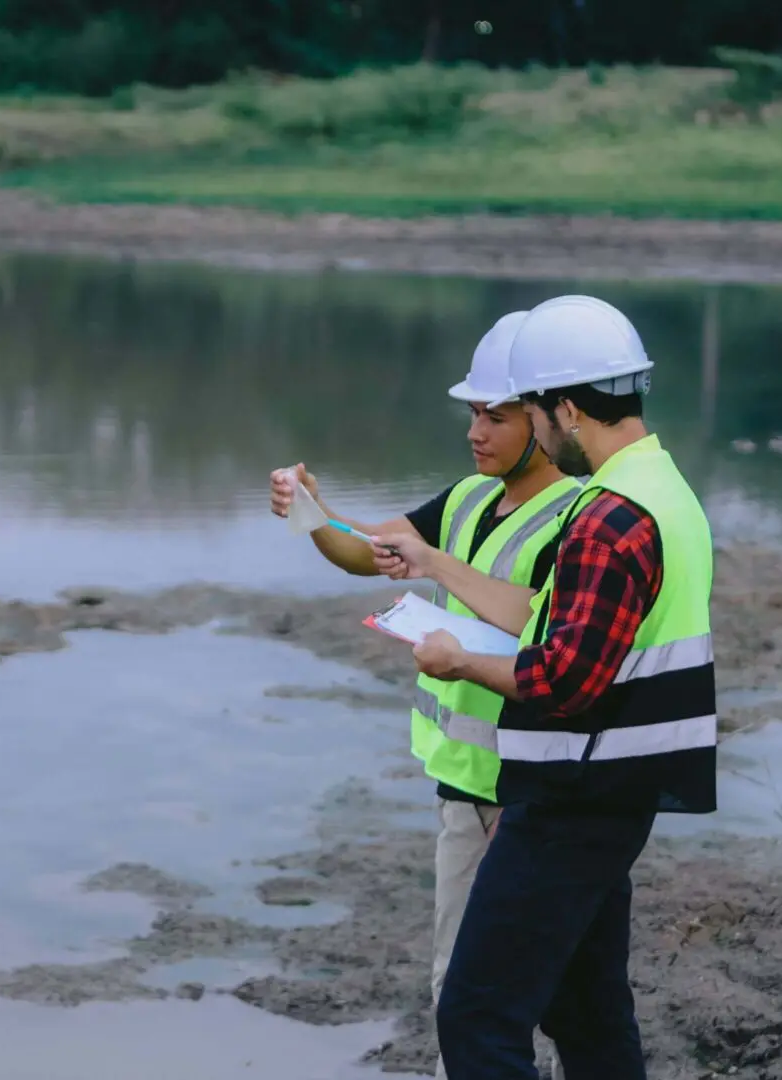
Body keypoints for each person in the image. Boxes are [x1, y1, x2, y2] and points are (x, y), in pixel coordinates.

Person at [373, 294, 718, 1080]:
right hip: (622, 791)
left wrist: (459, 662)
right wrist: (434, 567)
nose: (532, 426)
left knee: (476, 1017)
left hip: (572, 796)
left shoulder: (607, 516)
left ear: (566, 408)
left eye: (532, 408)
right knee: (585, 1012)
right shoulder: (667, 490)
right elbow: (558, 626)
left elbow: (562, 677)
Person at [270, 311, 579, 1080]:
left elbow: (555, 641)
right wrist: (311, 508)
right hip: (466, 791)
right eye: (472, 413)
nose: (475, 431)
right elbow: (363, 551)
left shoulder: (579, 518)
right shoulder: (471, 498)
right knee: (515, 997)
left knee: (475, 999)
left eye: (495, 416)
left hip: (524, 795)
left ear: (544, 419)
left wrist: (437, 570)